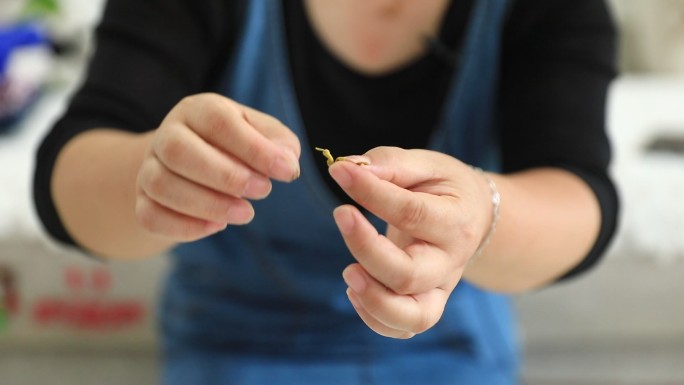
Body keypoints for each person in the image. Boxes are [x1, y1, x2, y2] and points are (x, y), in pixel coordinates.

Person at [33, 0, 619, 383]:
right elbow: (69, 173)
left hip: (451, 361)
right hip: (232, 359)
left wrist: (482, 216)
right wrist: (152, 171)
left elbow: (579, 193)